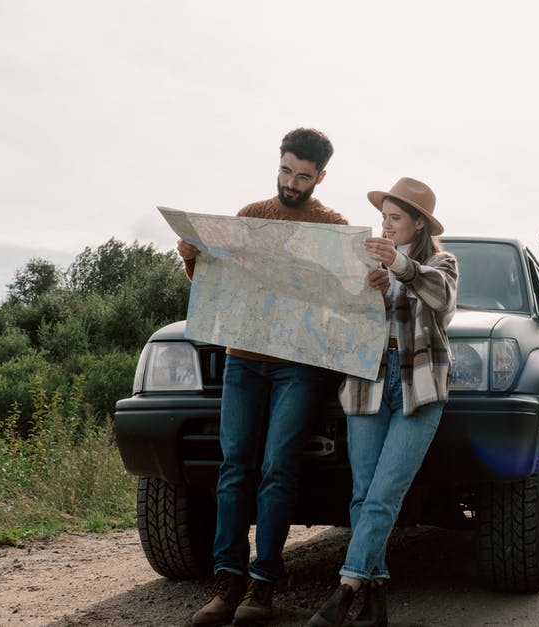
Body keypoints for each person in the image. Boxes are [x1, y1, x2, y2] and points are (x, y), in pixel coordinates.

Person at [181, 128, 348, 627]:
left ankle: (263, 586)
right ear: (278, 164)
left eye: (302, 176)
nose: (291, 183)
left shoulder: (331, 225)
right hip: (243, 359)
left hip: (298, 365)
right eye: (285, 171)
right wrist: (192, 260)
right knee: (235, 467)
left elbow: (344, 297)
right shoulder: (251, 216)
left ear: (320, 176)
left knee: (278, 469)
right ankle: (226, 582)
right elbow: (219, 286)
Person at [307, 177, 458, 627]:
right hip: (366, 382)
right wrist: (364, 292)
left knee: (385, 494)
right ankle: (375, 603)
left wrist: (401, 267)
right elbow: (336, 320)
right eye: (383, 218)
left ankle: (345, 589)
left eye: (396, 219)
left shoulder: (441, 262)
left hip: (420, 388)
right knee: (363, 495)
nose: (386, 226)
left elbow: (443, 302)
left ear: (418, 224)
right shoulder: (365, 262)